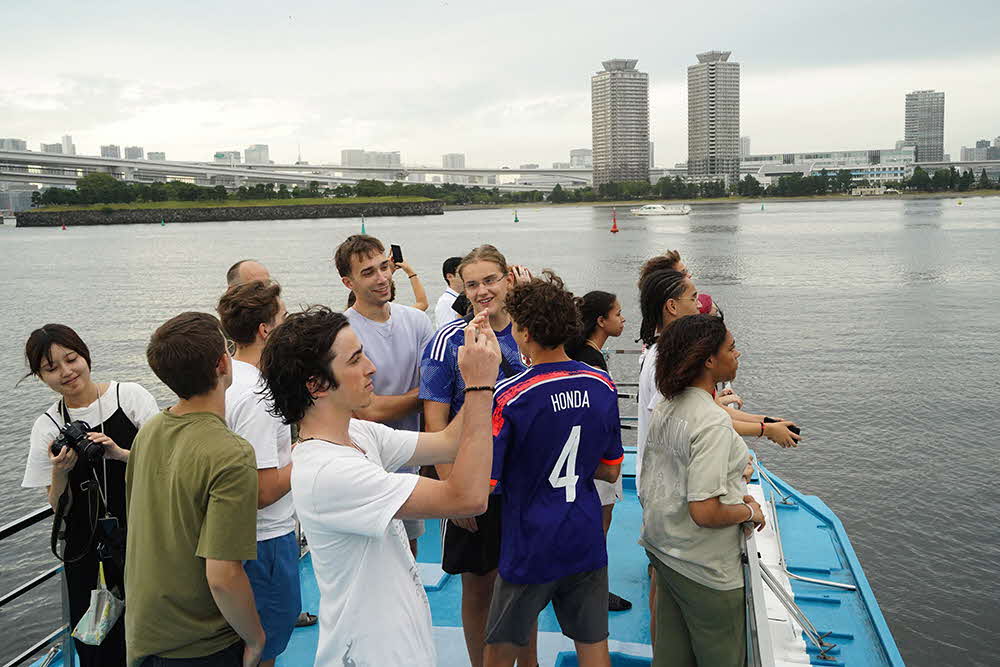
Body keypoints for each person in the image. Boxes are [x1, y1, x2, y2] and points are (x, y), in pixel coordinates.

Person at [256, 306, 501, 666]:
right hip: (373, 654)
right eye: (355, 360)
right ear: (316, 385)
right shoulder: (329, 471)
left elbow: (450, 440)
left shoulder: (356, 432)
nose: (371, 367)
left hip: (400, 644)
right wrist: (480, 386)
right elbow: (466, 498)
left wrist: (483, 371)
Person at [484, 272, 623, 667]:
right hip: (585, 534)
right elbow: (612, 470)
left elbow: (489, 481)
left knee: (499, 650)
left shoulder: (510, 395)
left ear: (523, 332)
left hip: (531, 543)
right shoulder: (601, 384)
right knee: (594, 646)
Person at [420, 244, 537, 667]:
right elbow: (434, 421)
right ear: (461, 289)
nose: (483, 290)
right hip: (476, 479)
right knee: (479, 586)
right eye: (473, 284)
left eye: (490, 280)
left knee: (524, 582)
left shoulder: (530, 334)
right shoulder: (446, 342)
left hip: (525, 480)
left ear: (508, 278)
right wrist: (453, 488)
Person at [126, 312, 265, 667]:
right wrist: (255, 638)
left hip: (145, 634)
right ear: (223, 363)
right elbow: (222, 575)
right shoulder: (231, 453)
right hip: (201, 645)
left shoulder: (150, 431)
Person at [20, 324, 159, 667]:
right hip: (84, 551)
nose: (67, 372)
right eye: (51, 368)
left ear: (85, 355)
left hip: (141, 536)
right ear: (41, 377)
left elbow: (166, 464)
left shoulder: (129, 398)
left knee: (151, 629)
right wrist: (59, 471)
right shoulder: (48, 425)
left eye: (71, 359)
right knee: (95, 641)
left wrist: (120, 454)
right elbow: (56, 506)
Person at [639, 314, 765, 667]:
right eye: (731, 348)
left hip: (665, 553)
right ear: (709, 359)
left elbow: (658, 481)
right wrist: (748, 511)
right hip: (706, 570)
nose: (737, 354)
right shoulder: (713, 422)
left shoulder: (667, 406)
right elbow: (705, 511)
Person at [336, 234, 436, 555]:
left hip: (409, 465)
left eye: (384, 268)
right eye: (368, 272)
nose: (382, 279)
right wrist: (425, 396)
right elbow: (367, 411)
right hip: (362, 469)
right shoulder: (341, 332)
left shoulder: (417, 321)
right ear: (347, 282)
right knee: (371, 559)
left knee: (410, 555)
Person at [217, 281, 298, 667]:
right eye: (282, 317)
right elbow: (263, 490)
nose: (287, 323)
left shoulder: (227, 378)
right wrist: (309, 451)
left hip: (236, 537)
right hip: (265, 539)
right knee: (264, 643)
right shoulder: (258, 396)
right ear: (266, 329)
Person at [565, 290, 631, 612]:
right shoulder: (592, 360)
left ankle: (576, 585)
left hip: (583, 454)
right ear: (601, 321)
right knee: (598, 525)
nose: (623, 319)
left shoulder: (580, 353)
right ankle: (593, 592)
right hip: (598, 456)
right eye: (617, 313)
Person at [434, 256, 464, 327]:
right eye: (462, 273)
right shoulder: (445, 302)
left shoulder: (464, 298)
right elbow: (448, 333)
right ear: (450, 276)